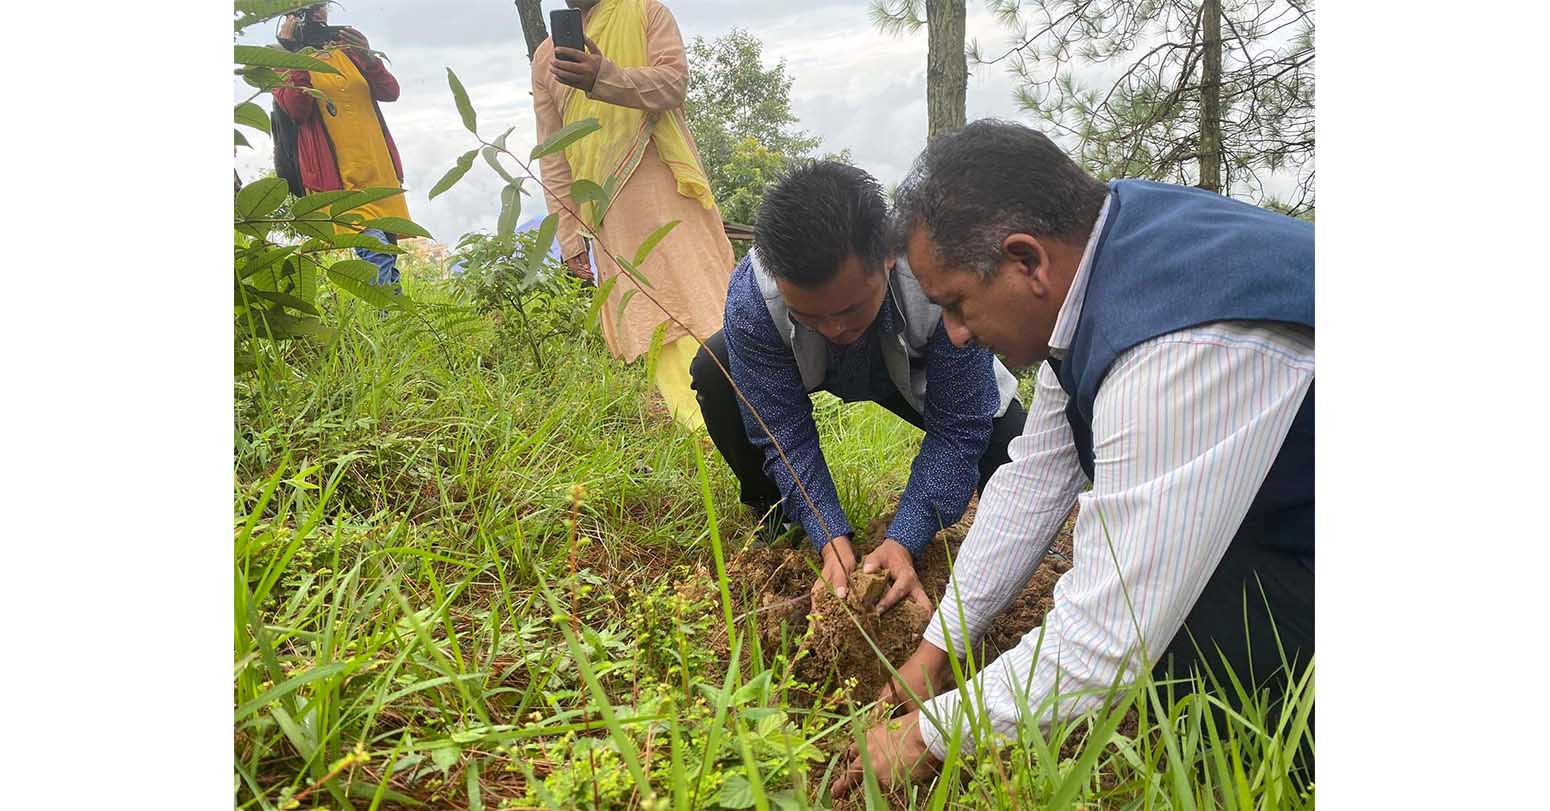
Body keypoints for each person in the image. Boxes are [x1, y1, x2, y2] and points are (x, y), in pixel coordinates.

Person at [834, 120, 1314, 796]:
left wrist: (925, 734)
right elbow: (1034, 481)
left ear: (1027, 261)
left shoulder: (1175, 347)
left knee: (1183, 607)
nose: (955, 333)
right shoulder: (1098, 265)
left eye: (957, 303)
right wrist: (935, 652)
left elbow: (1106, 637)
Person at [691, 161, 1026, 611]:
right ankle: (777, 519)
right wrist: (826, 532)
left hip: (917, 368)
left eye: (849, 309)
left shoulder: (937, 276)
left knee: (1009, 447)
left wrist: (906, 536)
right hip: (808, 369)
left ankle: (1005, 561)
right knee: (715, 369)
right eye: (810, 316)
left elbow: (960, 426)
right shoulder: (754, 297)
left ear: (886, 257)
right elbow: (780, 430)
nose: (833, 329)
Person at [531, 0, 734, 429]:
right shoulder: (546, 57)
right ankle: (699, 429)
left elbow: (673, 84)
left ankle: (752, 412)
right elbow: (553, 153)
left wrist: (605, 77)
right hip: (605, 205)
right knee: (652, 313)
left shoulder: (647, 12)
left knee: (703, 296)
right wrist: (569, 238)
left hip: (664, 178)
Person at [273, 4, 409, 292]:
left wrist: (369, 57)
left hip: (378, 170)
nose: (318, 13)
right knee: (376, 252)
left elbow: (390, 92)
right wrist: (296, 56)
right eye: (308, 9)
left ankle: (393, 323)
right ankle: (388, 316)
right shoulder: (281, 61)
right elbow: (296, 109)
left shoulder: (347, 49)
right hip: (338, 179)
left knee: (386, 254)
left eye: (321, 6)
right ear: (290, 15)